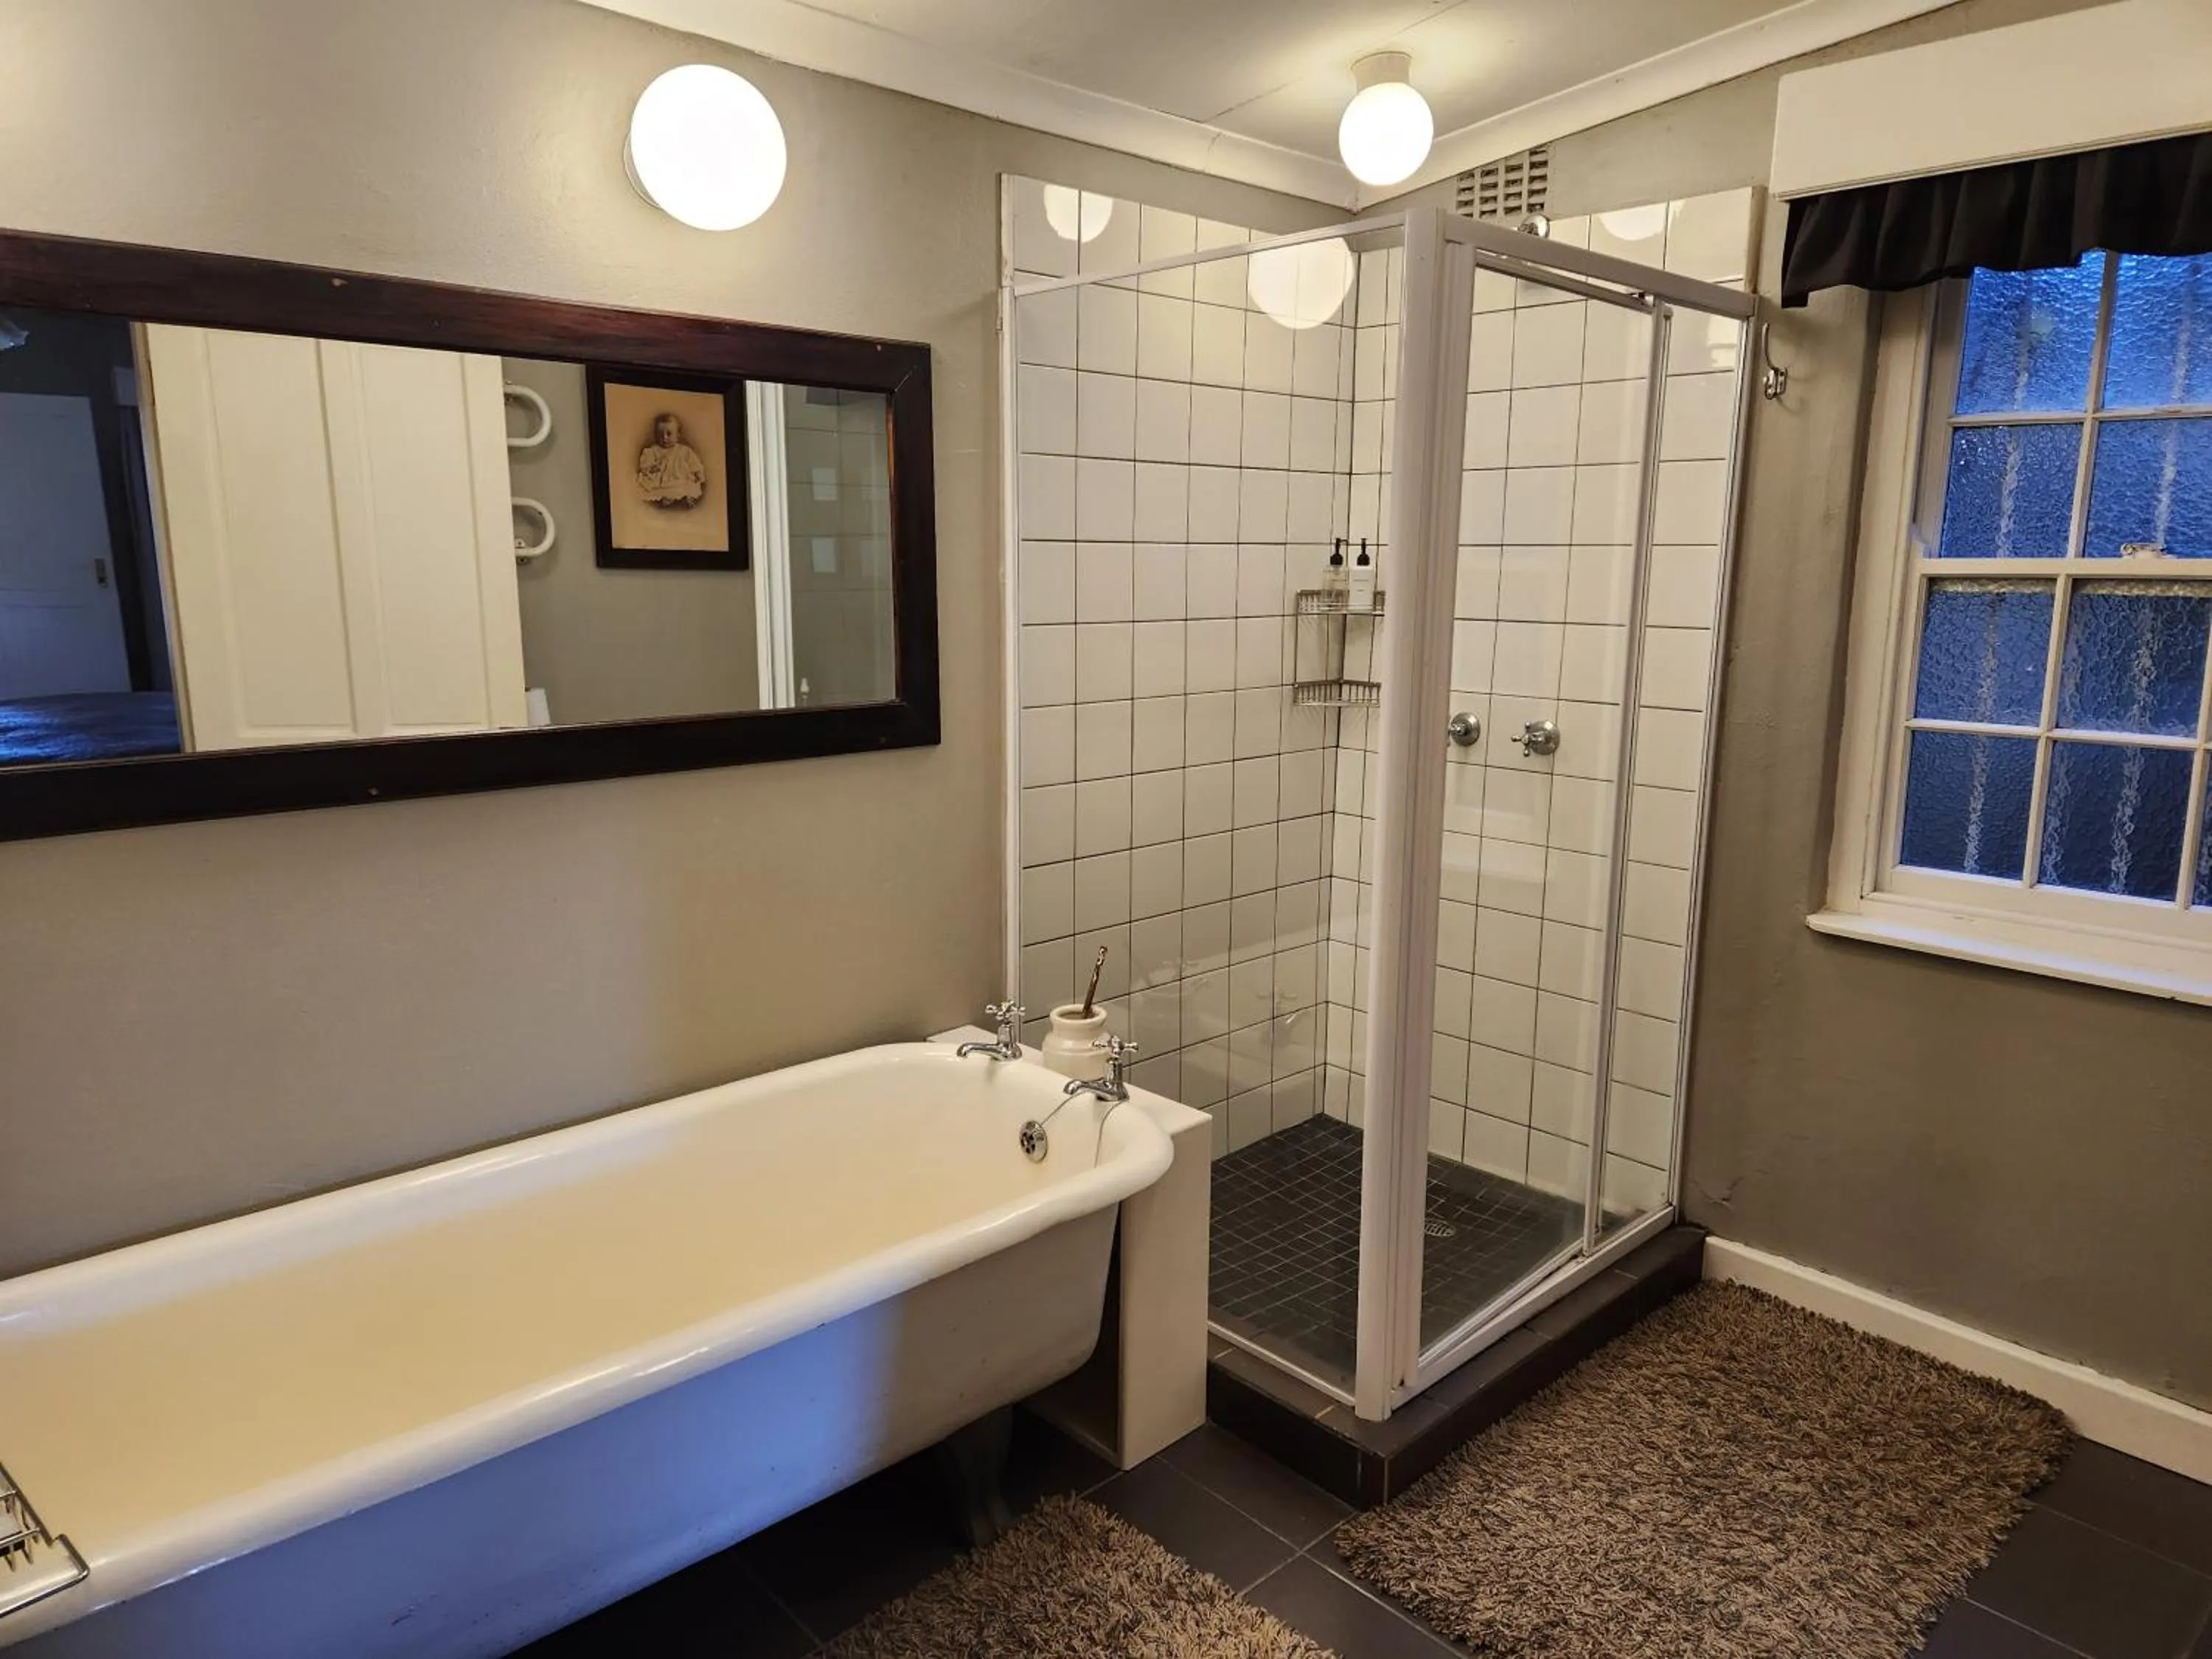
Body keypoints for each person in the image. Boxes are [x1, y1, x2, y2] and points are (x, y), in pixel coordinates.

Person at [636, 412, 706, 509]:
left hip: (679, 481)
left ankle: (685, 498)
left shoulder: (685, 451)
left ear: (678, 435)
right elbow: (645, 467)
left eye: (669, 434)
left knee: (689, 486)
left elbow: (695, 464)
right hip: (660, 483)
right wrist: (652, 468)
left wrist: (698, 473)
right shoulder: (651, 451)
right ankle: (667, 500)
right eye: (660, 434)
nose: (664, 438)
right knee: (645, 486)